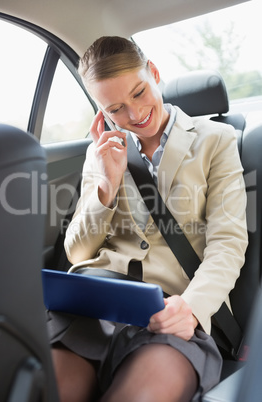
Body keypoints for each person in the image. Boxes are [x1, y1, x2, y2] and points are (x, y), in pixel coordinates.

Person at [47, 36, 248, 402]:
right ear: (101, 111)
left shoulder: (215, 140)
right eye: (116, 109)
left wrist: (191, 307)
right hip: (95, 304)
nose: (135, 115)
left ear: (153, 72)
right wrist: (106, 183)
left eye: (139, 92)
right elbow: (76, 252)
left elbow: (228, 243)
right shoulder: (103, 152)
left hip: (175, 307)